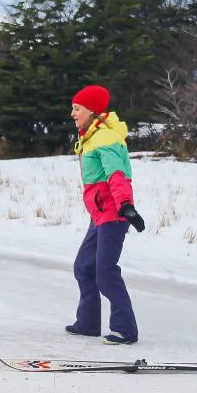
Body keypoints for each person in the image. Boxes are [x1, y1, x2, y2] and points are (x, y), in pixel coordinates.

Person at [66, 84, 144, 345]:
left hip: (113, 213)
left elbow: (117, 174)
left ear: (91, 110)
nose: (73, 114)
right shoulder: (91, 136)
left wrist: (126, 205)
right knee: (84, 267)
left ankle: (125, 330)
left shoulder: (106, 138)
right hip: (98, 214)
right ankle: (88, 323)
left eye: (77, 109)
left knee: (105, 271)